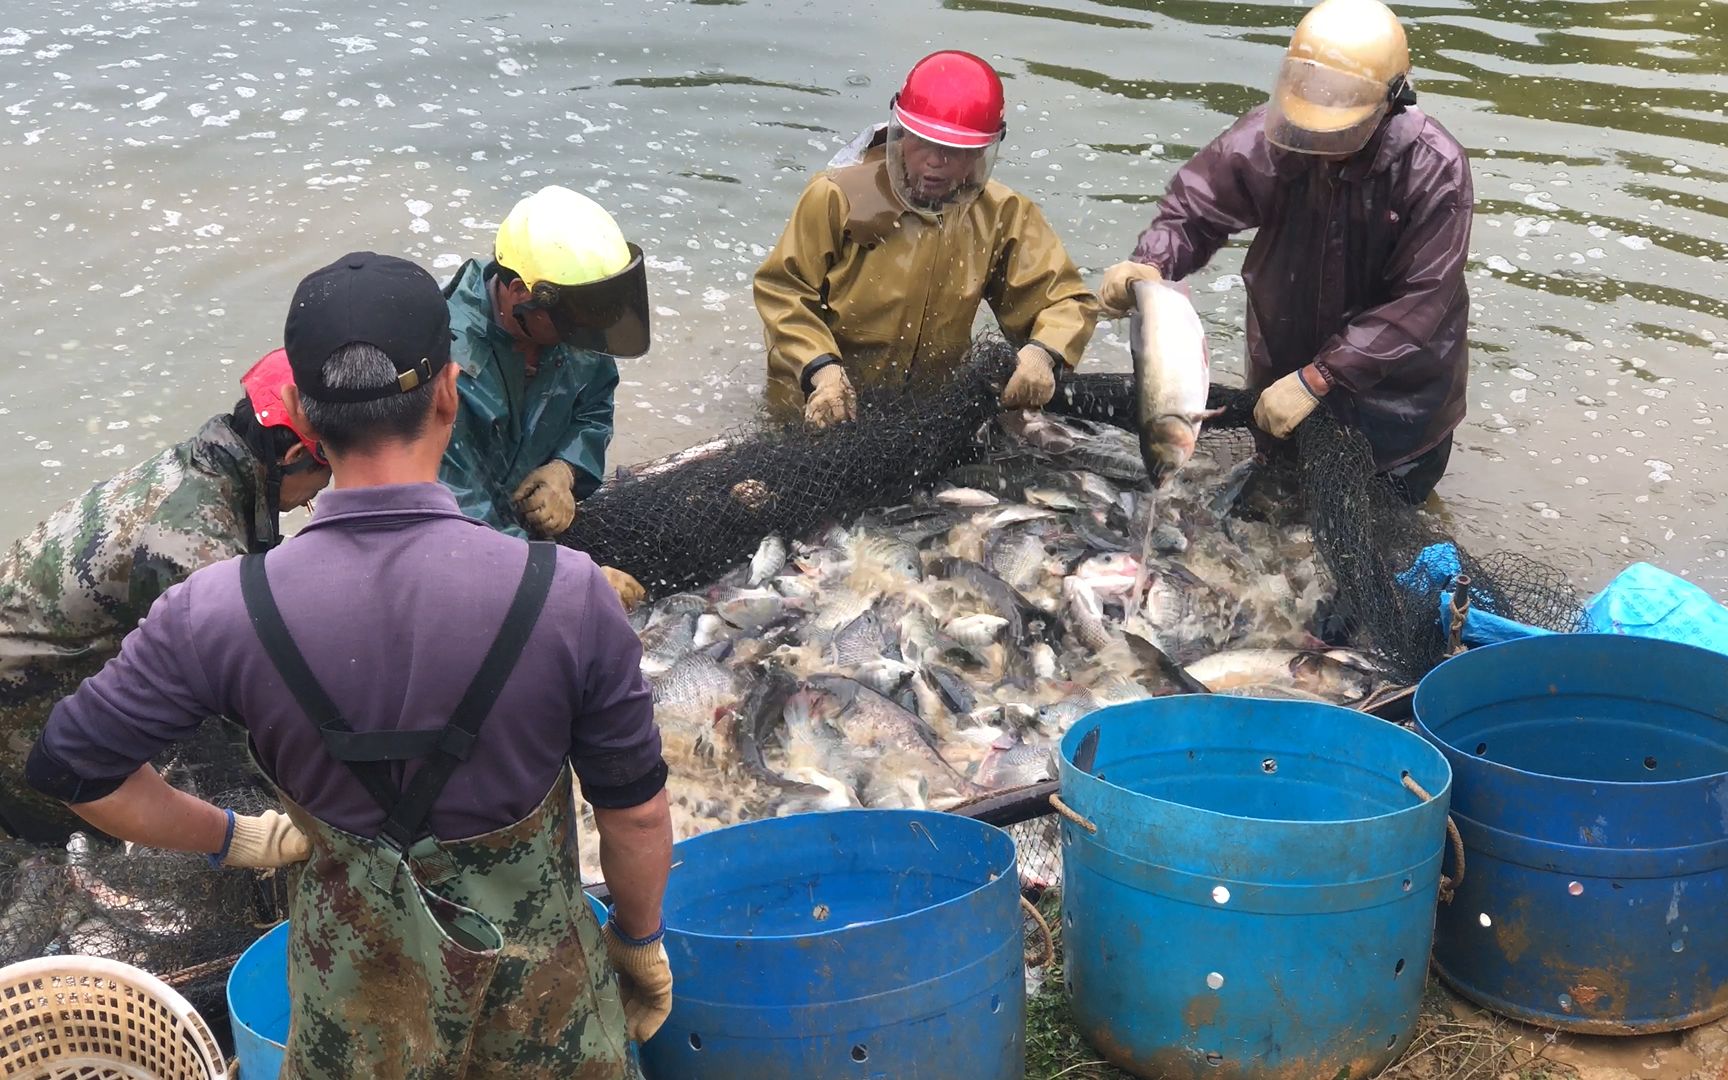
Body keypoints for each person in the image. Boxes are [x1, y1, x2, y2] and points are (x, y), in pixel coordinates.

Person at [27, 252, 674, 1078]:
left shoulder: (221, 609)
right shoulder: (568, 595)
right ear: (451, 390)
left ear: (299, 407)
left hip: (356, 1024)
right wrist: (640, 941)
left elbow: (73, 766)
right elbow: (637, 816)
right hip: (544, 1017)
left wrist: (235, 838)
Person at [1099, 0, 1471, 504]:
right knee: (1280, 513)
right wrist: (1151, 262)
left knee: (1386, 530)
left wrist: (1321, 377)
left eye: (1341, 122)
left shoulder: (1434, 168)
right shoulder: (1272, 138)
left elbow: (1420, 301)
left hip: (1399, 405)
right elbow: (1195, 208)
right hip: (1282, 378)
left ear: (1391, 101)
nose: (1321, 136)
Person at [0, 349, 330, 845]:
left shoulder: (200, 468)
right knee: (65, 828)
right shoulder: (197, 545)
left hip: (43, 641)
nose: (315, 496)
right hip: (21, 694)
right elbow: (238, 703)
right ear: (291, 457)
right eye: (324, 474)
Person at [754, 50, 1100, 426]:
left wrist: (1042, 353)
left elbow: (1066, 300)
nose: (936, 161)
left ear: (983, 151)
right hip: (818, 403)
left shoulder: (1003, 214)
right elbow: (783, 291)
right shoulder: (835, 196)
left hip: (925, 416)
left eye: (955, 150)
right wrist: (820, 368)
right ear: (901, 133)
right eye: (923, 143)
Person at [437, 186, 650, 608]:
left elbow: (594, 408)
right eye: (579, 320)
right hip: (461, 556)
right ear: (519, 293)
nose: (589, 331)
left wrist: (565, 470)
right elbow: (457, 519)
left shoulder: (575, 318)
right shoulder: (452, 368)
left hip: (527, 533)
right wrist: (570, 580)